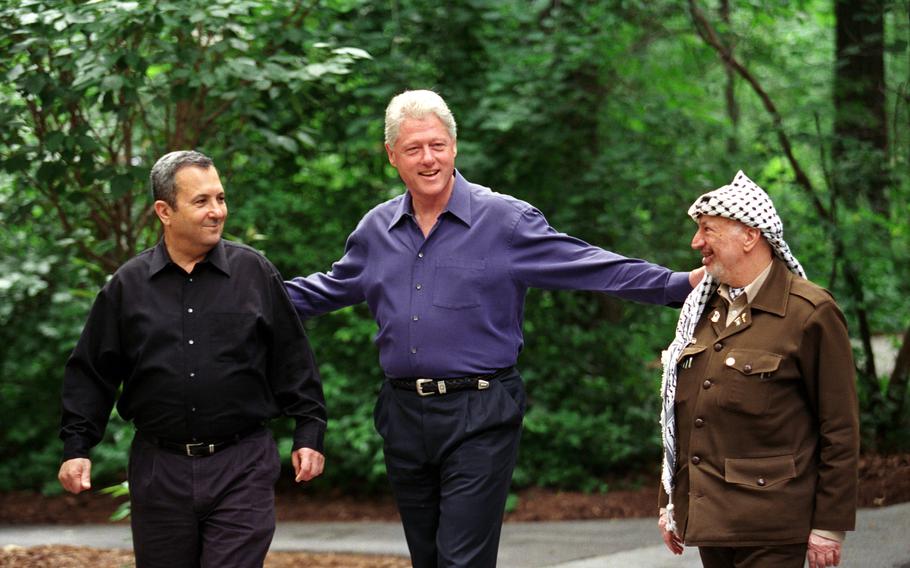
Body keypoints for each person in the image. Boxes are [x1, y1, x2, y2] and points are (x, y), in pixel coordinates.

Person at [285, 89, 703, 568]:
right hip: (402, 415)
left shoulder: (505, 221)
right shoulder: (376, 230)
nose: (428, 159)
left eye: (437, 145)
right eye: (414, 148)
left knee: (461, 561)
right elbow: (323, 290)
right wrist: (241, 298)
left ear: (455, 146)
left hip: (480, 411)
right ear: (391, 155)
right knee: (428, 559)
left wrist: (677, 285)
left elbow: (591, 265)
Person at [58, 150, 327, 568]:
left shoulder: (254, 273)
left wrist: (309, 431)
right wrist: (77, 445)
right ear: (165, 211)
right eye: (201, 201)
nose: (217, 211)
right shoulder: (128, 285)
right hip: (158, 471)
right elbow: (93, 370)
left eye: (220, 198)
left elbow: (293, 359)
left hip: (242, 463)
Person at [657, 171, 859, 568]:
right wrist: (670, 502)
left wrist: (829, 526)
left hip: (774, 524)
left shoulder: (810, 313)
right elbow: (680, 416)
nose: (696, 242)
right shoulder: (701, 311)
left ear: (749, 236)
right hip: (712, 521)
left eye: (707, 230)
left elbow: (839, 427)